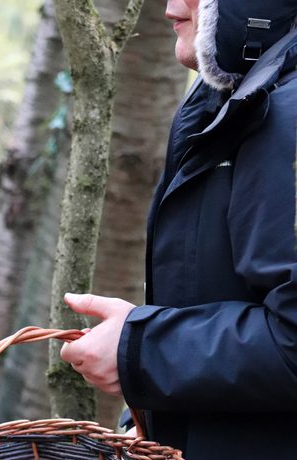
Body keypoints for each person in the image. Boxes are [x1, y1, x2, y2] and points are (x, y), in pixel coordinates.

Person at [60, 0, 297, 459]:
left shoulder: (287, 119)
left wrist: (139, 351)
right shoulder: (231, 104)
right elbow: (203, 295)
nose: (170, 7)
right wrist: (147, 418)